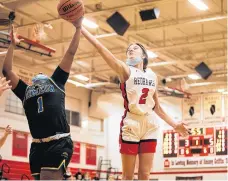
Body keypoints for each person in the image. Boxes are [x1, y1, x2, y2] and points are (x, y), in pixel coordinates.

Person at [81, 27, 189, 181]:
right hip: (131, 122)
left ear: (143, 55)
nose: (130, 50)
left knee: (145, 174)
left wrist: (174, 125)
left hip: (149, 122)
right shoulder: (126, 70)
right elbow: (103, 51)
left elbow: (157, 107)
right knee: (128, 176)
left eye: (135, 48)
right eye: (128, 50)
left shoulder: (152, 75)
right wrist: (83, 29)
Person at [2, 18, 82, 180]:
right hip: (37, 145)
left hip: (58, 141)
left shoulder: (56, 81)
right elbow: (7, 70)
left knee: (47, 177)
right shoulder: (26, 91)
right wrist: (12, 46)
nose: (39, 72)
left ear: (46, 77)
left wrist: (78, 28)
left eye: (42, 73)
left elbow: (71, 52)